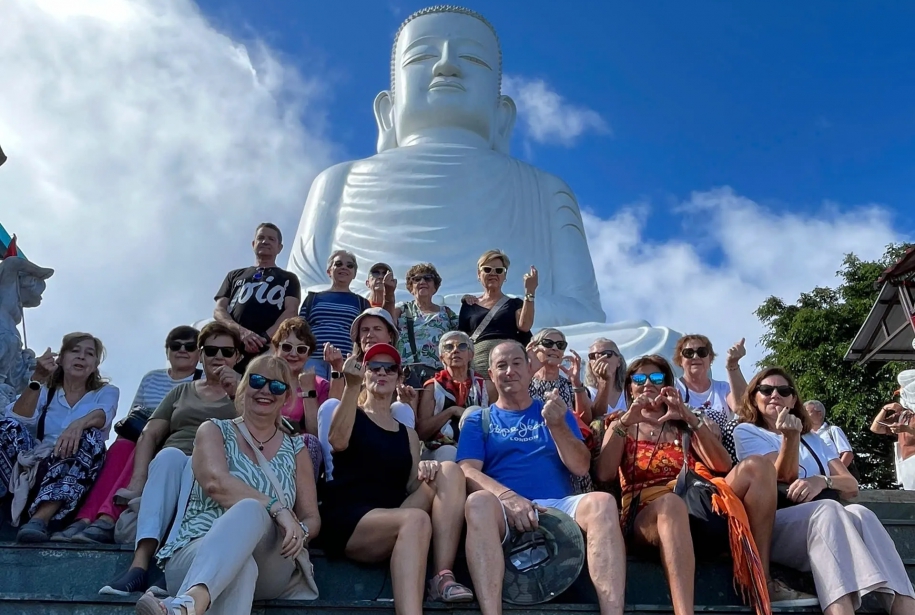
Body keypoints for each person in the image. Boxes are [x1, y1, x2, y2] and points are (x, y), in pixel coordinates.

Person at [287, 6, 606, 328]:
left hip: (498, 334)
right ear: (387, 111)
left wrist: (471, 308)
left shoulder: (546, 190)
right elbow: (299, 292)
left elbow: (585, 311)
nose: (446, 66)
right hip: (372, 329)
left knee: (650, 340)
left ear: (503, 115)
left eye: (473, 59)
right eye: (422, 57)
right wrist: (393, 308)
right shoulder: (338, 180)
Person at [595, 356, 815, 613]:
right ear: (629, 387)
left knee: (758, 466)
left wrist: (689, 417)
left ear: (668, 385)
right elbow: (605, 474)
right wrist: (625, 423)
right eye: (639, 379)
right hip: (646, 517)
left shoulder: (684, 422)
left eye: (656, 378)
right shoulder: (619, 422)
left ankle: (763, 581)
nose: (647, 384)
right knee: (670, 505)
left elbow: (722, 465)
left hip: (695, 507)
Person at [137, 355, 321, 615]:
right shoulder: (213, 430)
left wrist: (298, 530)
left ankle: (189, 601)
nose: (266, 390)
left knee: (252, 511)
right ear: (244, 386)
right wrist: (277, 508)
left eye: (277, 386)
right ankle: (192, 601)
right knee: (241, 564)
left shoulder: (296, 448)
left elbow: (312, 517)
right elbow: (216, 483)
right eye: (258, 381)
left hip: (272, 557)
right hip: (197, 550)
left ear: (286, 397)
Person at [457, 341, 626, 615]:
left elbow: (581, 467)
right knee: (477, 503)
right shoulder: (480, 420)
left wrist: (557, 425)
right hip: (503, 508)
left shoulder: (558, 412)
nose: (509, 371)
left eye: (516, 363)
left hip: (556, 506)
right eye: (501, 365)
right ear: (491, 374)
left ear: (528, 368)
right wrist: (508, 497)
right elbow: (466, 470)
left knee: (603, 503)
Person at [734, 367, 915, 614]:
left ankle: (905, 606)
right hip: (775, 523)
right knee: (828, 510)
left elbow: (850, 485)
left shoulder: (814, 438)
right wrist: (790, 438)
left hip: (828, 523)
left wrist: (822, 481)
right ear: (754, 396)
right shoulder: (748, 432)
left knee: (863, 514)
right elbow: (783, 476)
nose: (775, 395)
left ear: (793, 399)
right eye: (766, 390)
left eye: (783, 390)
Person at [320, 344, 472, 611]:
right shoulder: (350, 413)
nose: (382, 373)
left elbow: (412, 484)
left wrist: (428, 471)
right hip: (351, 518)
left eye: (390, 369)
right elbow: (337, 441)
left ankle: (442, 576)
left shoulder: (408, 433)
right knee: (415, 520)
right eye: (374, 368)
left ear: (399, 378)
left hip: (396, 512)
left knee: (449, 469)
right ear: (364, 374)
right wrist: (351, 386)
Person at [100, 323, 241, 596]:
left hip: (215, 462)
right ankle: (139, 566)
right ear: (201, 355)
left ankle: (172, 568)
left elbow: (257, 430)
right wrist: (138, 480)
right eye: (211, 350)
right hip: (173, 458)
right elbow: (150, 434)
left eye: (227, 351)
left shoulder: (247, 391)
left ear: (237, 357)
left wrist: (237, 392)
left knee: (192, 464)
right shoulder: (180, 392)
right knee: (169, 456)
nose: (218, 357)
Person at [54, 326, 201, 544]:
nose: (182, 350)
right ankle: (84, 519)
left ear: (199, 353)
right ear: (167, 350)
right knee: (122, 447)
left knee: (143, 445)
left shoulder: (202, 381)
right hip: (141, 435)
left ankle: (107, 518)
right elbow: (134, 414)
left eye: (189, 346)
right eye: (175, 345)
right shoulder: (152, 378)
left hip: (173, 443)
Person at [1, 332, 119, 543]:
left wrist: (78, 424)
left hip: (79, 469)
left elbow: (103, 414)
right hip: (37, 463)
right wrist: (36, 379)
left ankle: (40, 519)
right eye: (75, 351)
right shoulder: (46, 391)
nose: (82, 357)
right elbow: (17, 418)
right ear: (61, 359)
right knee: (6, 427)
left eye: (89, 354)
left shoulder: (106, 391)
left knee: (89, 436)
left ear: (94, 365)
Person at [317, 308, 416, 480]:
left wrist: (405, 400)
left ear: (390, 335)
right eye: (365, 330)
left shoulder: (402, 368)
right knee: (330, 405)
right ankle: (332, 473)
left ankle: (400, 476)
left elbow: (411, 421)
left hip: (386, 434)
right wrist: (337, 370)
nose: (369, 334)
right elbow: (335, 405)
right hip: (353, 431)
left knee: (402, 408)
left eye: (377, 329)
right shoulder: (350, 363)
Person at [214, 223, 301, 368]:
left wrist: (264, 338)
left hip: (268, 350)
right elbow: (219, 310)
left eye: (271, 239)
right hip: (233, 348)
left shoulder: (289, 278)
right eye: (261, 238)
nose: (265, 241)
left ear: (279, 247)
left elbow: (291, 311)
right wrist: (242, 332)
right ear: (253, 244)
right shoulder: (234, 275)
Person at [458, 250, 536, 377]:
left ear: (505, 276)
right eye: (487, 269)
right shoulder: (469, 305)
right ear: (479, 274)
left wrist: (530, 291)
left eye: (499, 270)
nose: (493, 273)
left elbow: (525, 326)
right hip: (480, 361)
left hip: (508, 361)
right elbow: (462, 337)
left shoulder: (515, 303)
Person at [298, 249, 370, 380]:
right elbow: (299, 330)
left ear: (354, 274)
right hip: (313, 360)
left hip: (346, 362)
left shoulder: (362, 303)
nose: (344, 267)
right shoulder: (312, 299)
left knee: (341, 400)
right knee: (312, 398)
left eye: (349, 265)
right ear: (329, 271)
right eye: (338, 264)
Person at [417, 331, 488, 462]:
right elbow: (422, 431)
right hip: (439, 448)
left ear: (471, 355)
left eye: (462, 346)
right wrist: (451, 411)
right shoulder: (432, 387)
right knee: (449, 453)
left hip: (475, 446)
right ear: (441, 357)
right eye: (449, 347)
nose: (455, 350)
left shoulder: (484, 386)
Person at [390, 263, 459, 384]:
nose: (422, 281)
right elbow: (386, 323)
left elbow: (464, 336)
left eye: (427, 278)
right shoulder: (401, 310)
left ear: (435, 287)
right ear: (411, 288)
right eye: (416, 279)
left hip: (439, 376)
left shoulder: (447, 313)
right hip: (406, 376)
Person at [674, 335, 748, 431]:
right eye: (689, 353)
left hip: (720, 443)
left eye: (702, 352)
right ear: (680, 360)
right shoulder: (673, 387)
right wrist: (702, 420)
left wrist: (732, 365)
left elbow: (745, 409)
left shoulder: (723, 388)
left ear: (710, 359)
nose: (695, 357)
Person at [527, 328, 590, 421]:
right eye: (548, 343)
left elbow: (585, 421)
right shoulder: (522, 382)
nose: (555, 348)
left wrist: (576, 382)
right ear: (533, 348)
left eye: (560, 345)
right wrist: (528, 373)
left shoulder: (569, 385)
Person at [870, 369, 915, 489]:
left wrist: (906, 429)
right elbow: (876, 428)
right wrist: (885, 409)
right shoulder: (904, 414)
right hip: (907, 464)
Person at [584, 338, 627, 420]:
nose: (600, 359)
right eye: (593, 356)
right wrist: (604, 381)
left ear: (619, 361)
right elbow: (593, 419)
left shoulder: (629, 391)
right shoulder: (586, 394)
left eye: (607, 354)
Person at [806, 400, 855, 470]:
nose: (804, 415)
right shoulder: (807, 437)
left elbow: (848, 454)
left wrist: (837, 475)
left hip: (834, 478)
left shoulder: (833, 430)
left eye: (807, 412)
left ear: (819, 414)